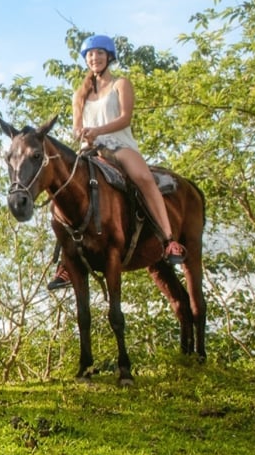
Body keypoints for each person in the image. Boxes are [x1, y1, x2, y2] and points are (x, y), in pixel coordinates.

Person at [50, 33, 186, 290]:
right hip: (90, 150)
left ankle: (169, 240)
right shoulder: (79, 94)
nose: (95, 58)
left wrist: (99, 131)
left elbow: (125, 118)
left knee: (144, 178)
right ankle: (65, 263)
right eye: (90, 55)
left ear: (109, 56)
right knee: (63, 190)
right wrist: (83, 134)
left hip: (118, 145)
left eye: (99, 53)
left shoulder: (121, 84)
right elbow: (76, 128)